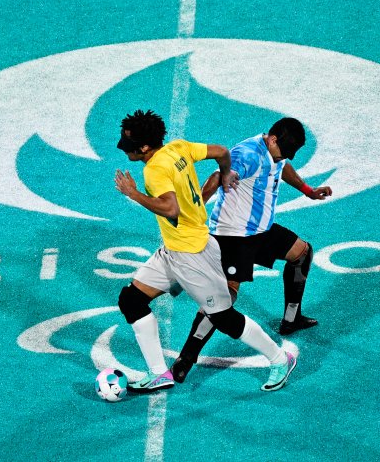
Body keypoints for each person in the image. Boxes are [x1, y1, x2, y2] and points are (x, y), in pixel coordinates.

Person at [113, 109, 296, 393]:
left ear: (145, 147)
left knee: (224, 319)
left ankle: (280, 358)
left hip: (193, 254)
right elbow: (222, 152)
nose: (123, 149)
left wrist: (134, 194)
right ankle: (158, 373)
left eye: (128, 145)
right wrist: (225, 174)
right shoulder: (178, 147)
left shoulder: (154, 171)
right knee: (131, 301)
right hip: (173, 250)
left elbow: (170, 208)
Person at [171, 117, 331, 384]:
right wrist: (192, 212)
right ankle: (186, 358)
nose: (285, 156)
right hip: (233, 237)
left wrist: (307, 190)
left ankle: (291, 319)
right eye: (284, 150)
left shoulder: (275, 151)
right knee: (223, 300)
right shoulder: (247, 156)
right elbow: (216, 177)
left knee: (302, 253)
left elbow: (282, 166)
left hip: (260, 230)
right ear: (272, 138)